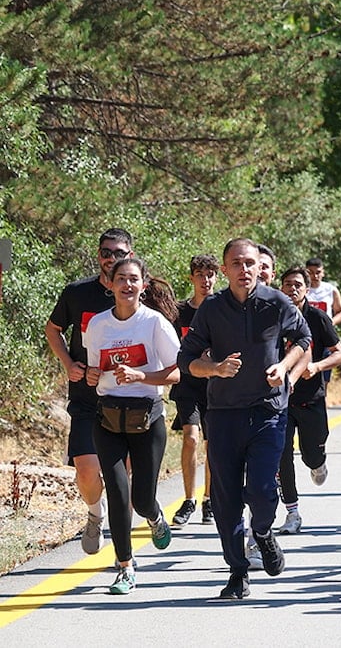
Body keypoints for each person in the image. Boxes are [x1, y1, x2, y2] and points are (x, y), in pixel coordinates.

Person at [178, 238, 313, 600]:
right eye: (236, 264)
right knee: (225, 499)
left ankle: (265, 533)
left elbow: (303, 336)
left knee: (262, 489)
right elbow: (187, 360)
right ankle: (238, 570)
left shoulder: (276, 302)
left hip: (268, 410)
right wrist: (215, 369)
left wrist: (284, 367)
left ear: (259, 267)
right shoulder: (211, 309)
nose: (244, 270)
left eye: (250, 263)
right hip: (223, 414)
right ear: (225, 270)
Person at [83, 257, 181, 594]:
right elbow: (94, 369)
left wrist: (141, 375)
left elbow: (177, 372)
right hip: (108, 417)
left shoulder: (154, 323)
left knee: (141, 500)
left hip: (147, 417)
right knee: (118, 491)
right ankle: (125, 566)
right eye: (120, 279)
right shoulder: (97, 325)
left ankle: (154, 516)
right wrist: (91, 374)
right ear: (109, 284)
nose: (127, 285)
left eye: (133, 279)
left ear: (144, 285)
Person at [45, 228, 135, 555]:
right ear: (98, 256)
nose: (112, 259)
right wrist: (69, 363)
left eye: (119, 253)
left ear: (131, 255)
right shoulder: (77, 293)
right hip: (86, 397)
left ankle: (124, 549)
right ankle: (96, 513)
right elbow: (53, 329)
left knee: (121, 475)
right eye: (106, 253)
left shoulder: (138, 292)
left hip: (127, 398)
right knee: (86, 469)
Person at [276, 266, 341, 535]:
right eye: (287, 284)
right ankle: (292, 513)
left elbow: (339, 353)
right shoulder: (273, 317)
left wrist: (316, 367)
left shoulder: (317, 318)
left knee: (311, 454)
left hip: (311, 398)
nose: (292, 289)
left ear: (307, 289)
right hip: (279, 400)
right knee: (281, 456)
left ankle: (317, 462)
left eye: (297, 285)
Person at [170, 254, 218, 527]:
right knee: (190, 438)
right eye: (200, 274)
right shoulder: (179, 312)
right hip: (187, 385)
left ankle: (208, 499)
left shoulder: (222, 308)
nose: (205, 279)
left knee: (212, 445)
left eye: (210, 274)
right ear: (192, 277)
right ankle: (188, 499)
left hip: (216, 386)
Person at [305, 257, 341, 326]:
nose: (315, 276)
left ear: (323, 273)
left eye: (318, 272)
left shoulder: (331, 290)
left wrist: (331, 322)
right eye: (311, 273)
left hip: (325, 331)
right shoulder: (301, 290)